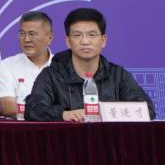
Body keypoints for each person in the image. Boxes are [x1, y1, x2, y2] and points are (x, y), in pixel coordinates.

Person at [24, 8, 153, 122]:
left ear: (103, 40)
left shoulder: (118, 75)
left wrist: (105, 113)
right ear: (68, 41)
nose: (85, 41)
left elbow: (147, 109)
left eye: (92, 35)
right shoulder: (51, 75)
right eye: (77, 35)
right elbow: (32, 110)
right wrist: (64, 114)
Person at [0, 11, 57, 118]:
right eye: (22, 34)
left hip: (58, 127)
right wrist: (56, 112)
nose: (26, 39)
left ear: (49, 38)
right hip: (19, 127)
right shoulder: (6, 66)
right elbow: (9, 108)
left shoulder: (62, 66)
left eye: (32, 34)